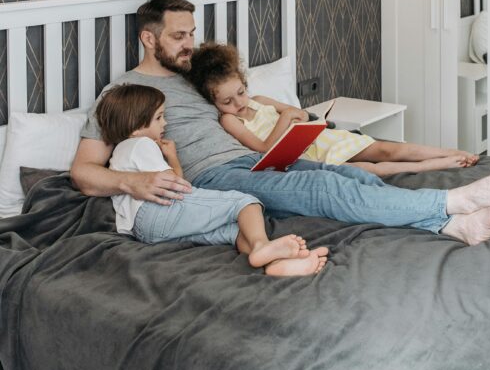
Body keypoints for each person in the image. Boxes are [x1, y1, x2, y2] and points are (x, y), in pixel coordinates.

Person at [71, 0, 490, 245]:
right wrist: (133, 183)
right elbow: (83, 171)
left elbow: (242, 104)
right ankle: (451, 205)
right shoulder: (124, 93)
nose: (190, 44)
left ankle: (457, 226)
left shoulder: (195, 76)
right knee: (323, 187)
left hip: (252, 162)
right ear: (149, 39)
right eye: (179, 36)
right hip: (212, 177)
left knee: (354, 179)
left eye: (192, 33)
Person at [94, 83, 328, 276]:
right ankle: (262, 246)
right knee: (246, 203)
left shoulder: (119, 155)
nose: (165, 124)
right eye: (159, 118)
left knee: (234, 230)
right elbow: (175, 184)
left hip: (143, 230)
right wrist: (173, 158)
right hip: (157, 211)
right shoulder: (141, 145)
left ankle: (274, 265)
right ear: (136, 128)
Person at [188, 42, 479, 175]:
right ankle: (435, 165)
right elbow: (264, 148)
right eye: (227, 101)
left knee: (385, 148)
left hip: (314, 139)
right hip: (299, 158)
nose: (238, 103)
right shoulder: (229, 121)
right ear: (213, 101)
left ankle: (451, 152)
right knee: (363, 170)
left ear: (243, 82)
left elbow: (299, 114)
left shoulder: (260, 101)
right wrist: (288, 118)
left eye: (240, 92)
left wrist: (294, 116)